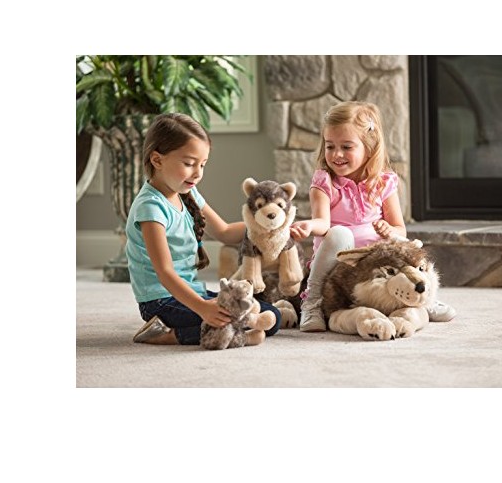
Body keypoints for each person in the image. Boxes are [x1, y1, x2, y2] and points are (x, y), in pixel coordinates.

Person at [290, 100, 456, 332]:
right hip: (340, 261)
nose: (337, 154)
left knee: (404, 245)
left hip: (376, 262)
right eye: (330, 146)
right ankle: (312, 301)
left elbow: (399, 228)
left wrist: (390, 231)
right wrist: (309, 226)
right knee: (339, 233)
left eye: (346, 147)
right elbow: (323, 223)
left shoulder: (383, 182)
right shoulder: (324, 183)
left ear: (369, 147)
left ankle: (424, 297)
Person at [126, 113, 282, 345]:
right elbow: (165, 272)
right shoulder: (150, 207)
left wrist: (271, 227)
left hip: (192, 293)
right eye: (189, 164)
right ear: (157, 160)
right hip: (160, 301)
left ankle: (234, 333)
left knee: (271, 315)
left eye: (202, 164)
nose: (198, 173)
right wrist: (202, 307)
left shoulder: (188, 193)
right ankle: (165, 335)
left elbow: (225, 232)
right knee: (238, 319)